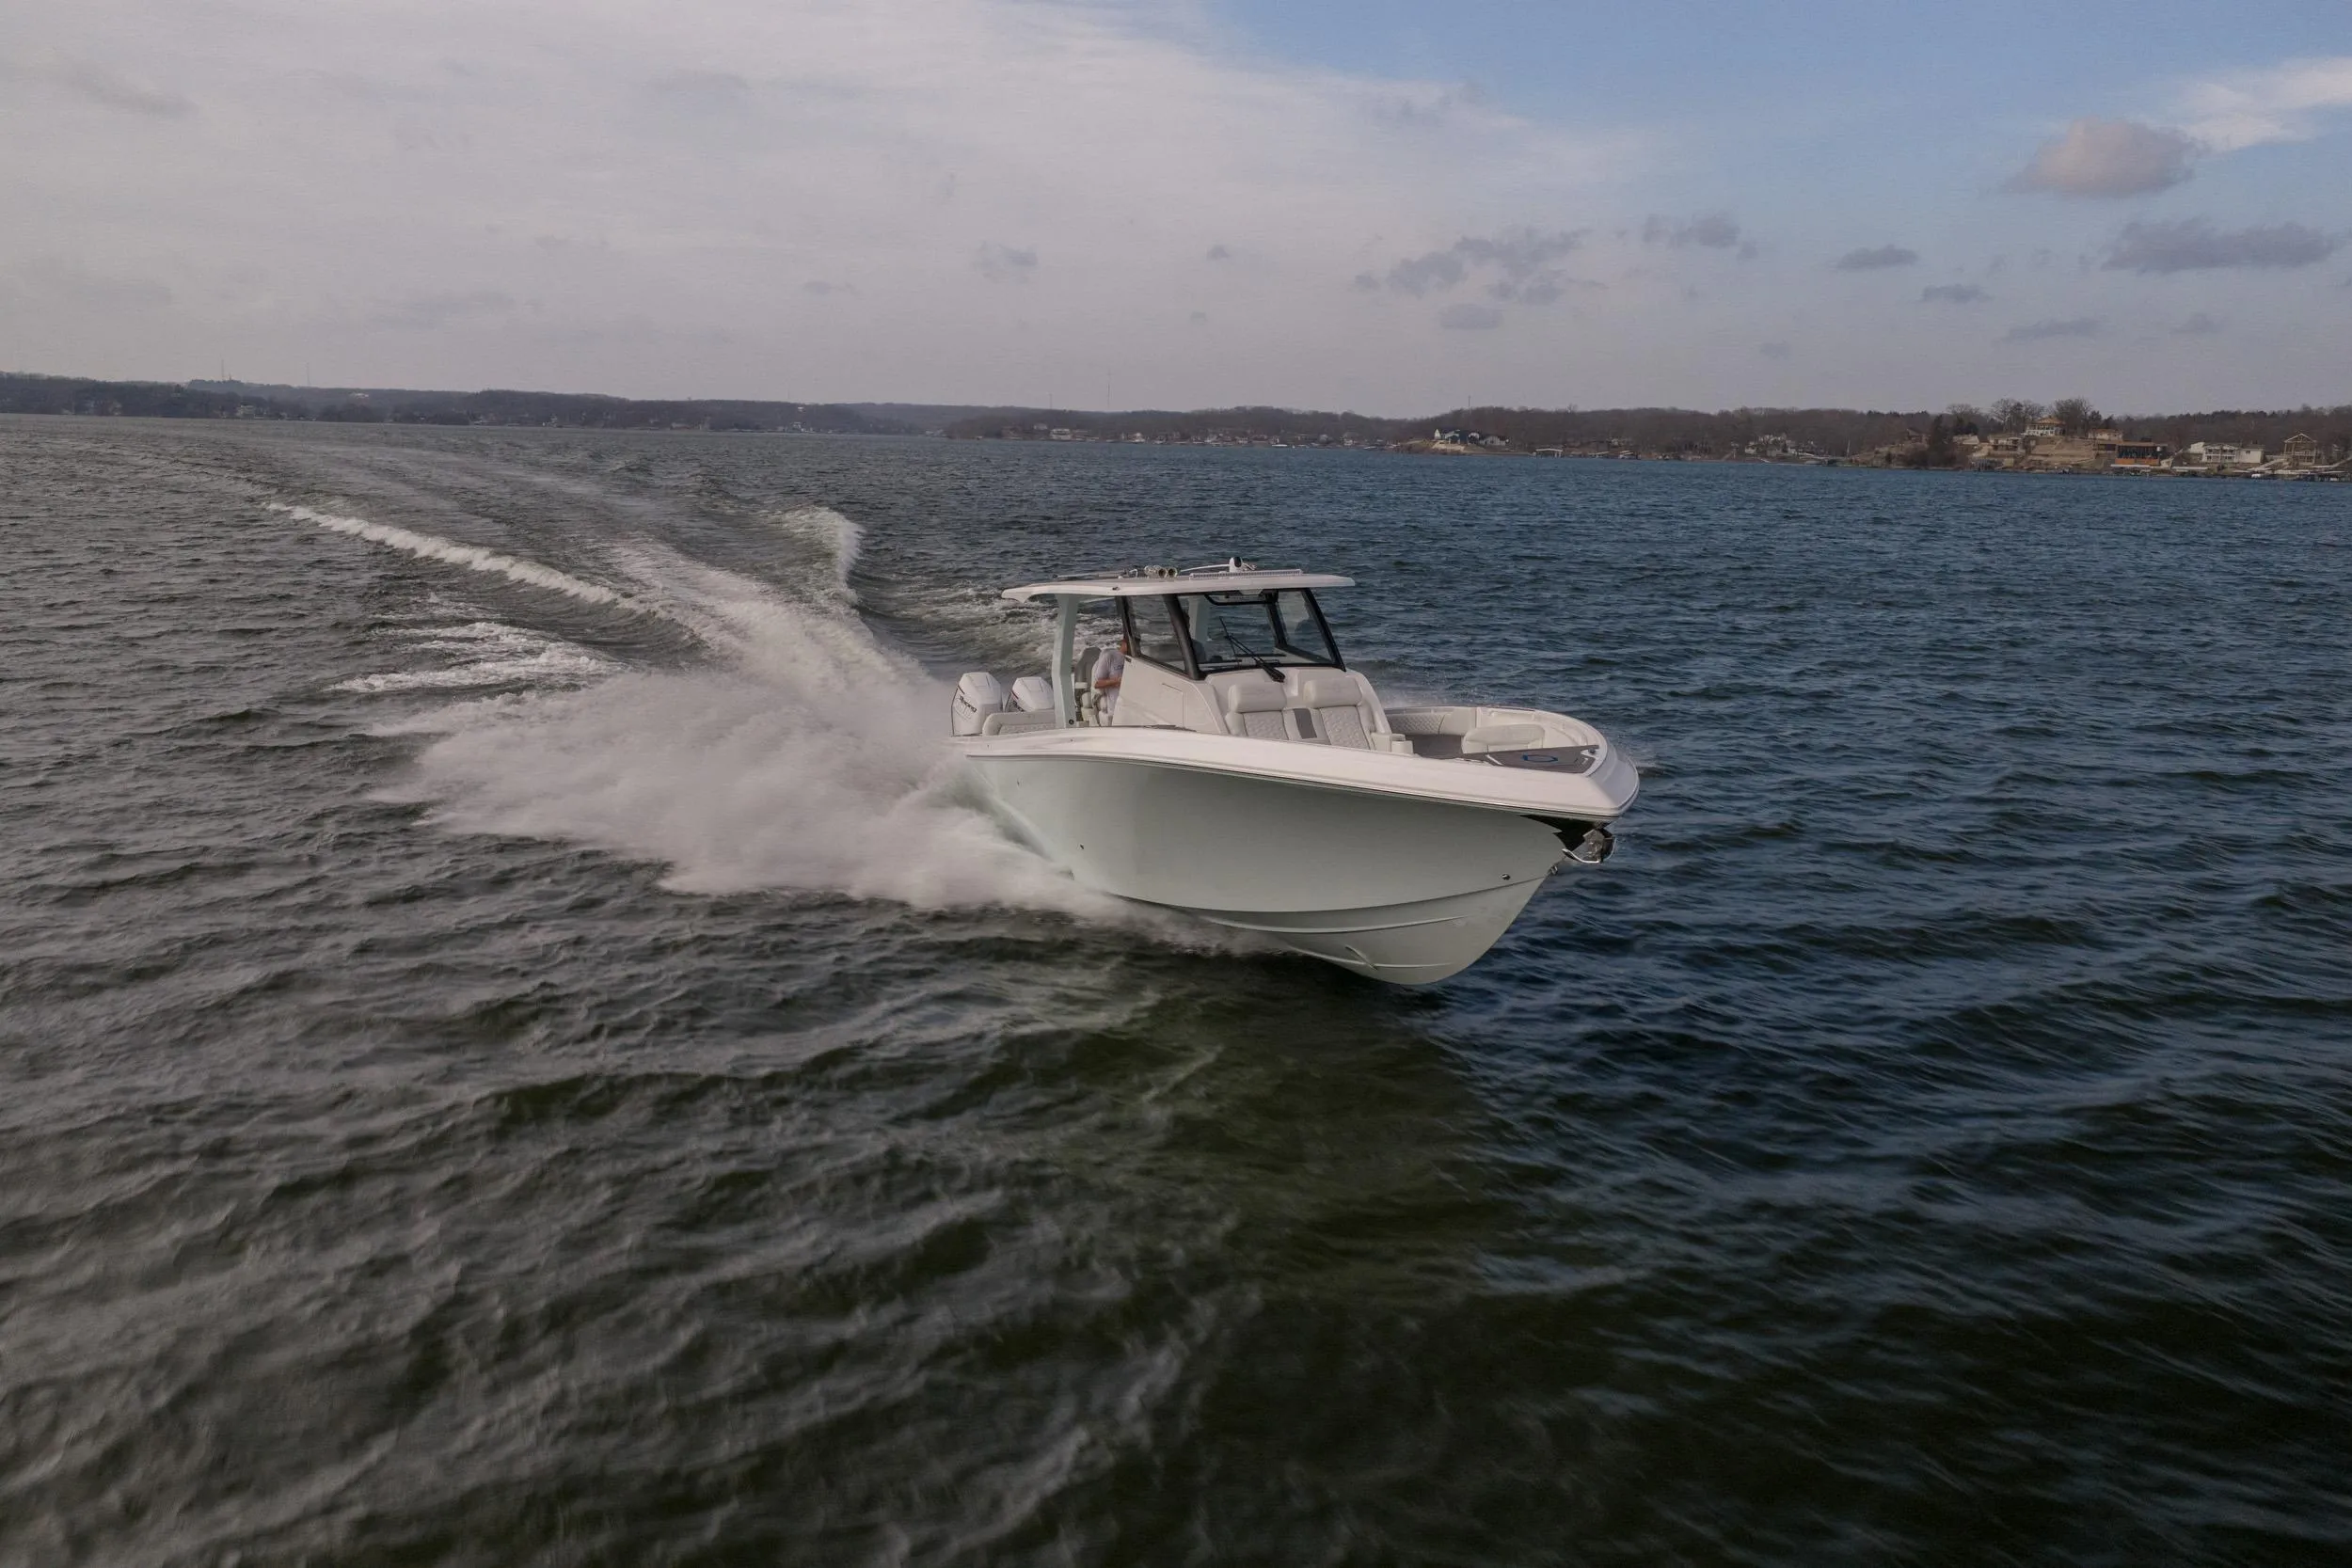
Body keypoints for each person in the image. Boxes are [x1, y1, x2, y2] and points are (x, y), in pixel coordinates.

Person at [1090, 638, 1127, 722]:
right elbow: (1097, 684)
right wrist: (1117, 681)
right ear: (1124, 642)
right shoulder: (1110, 656)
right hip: (1116, 709)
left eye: (1138, 642)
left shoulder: (1137, 660)